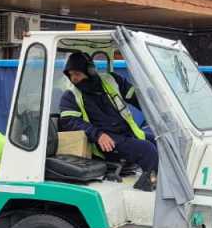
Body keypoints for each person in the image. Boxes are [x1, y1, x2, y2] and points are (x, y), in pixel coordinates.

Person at [58, 52, 158, 191]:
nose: (73, 78)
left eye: (77, 74)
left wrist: (156, 108)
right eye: (71, 74)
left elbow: (137, 97)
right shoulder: (70, 96)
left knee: (161, 142)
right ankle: (149, 190)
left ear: (90, 71)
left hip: (127, 133)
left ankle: (165, 184)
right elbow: (70, 122)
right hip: (104, 142)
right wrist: (98, 135)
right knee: (147, 150)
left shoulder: (111, 80)